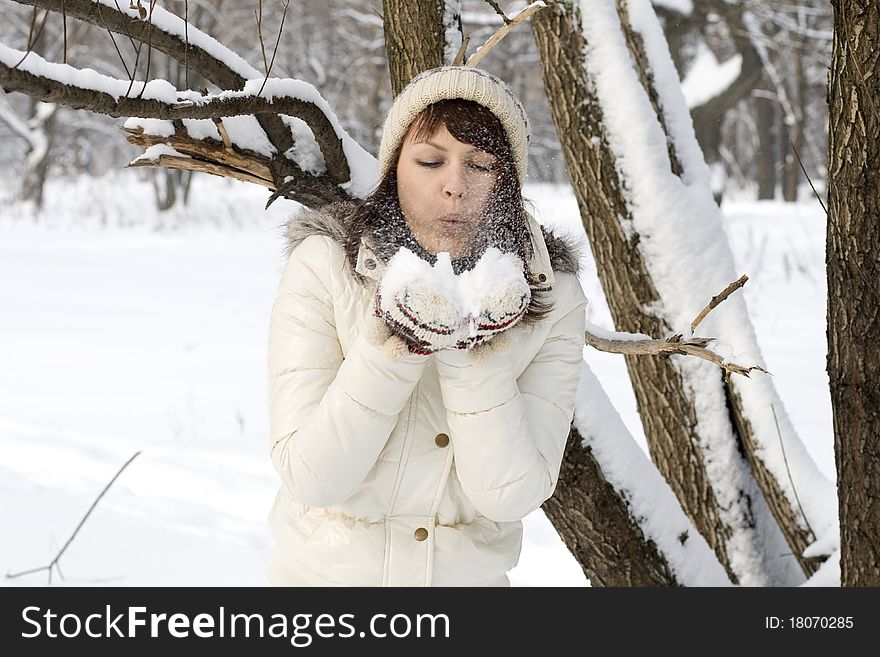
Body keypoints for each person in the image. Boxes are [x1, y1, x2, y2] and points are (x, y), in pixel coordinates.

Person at [265, 66, 587, 587]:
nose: (454, 186)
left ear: (506, 181)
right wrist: (396, 349)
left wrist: (473, 351)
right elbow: (312, 477)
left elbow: (511, 494)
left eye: (481, 165)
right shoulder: (326, 267)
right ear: (395, 169)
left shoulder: (553, 296)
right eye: (430, 161)